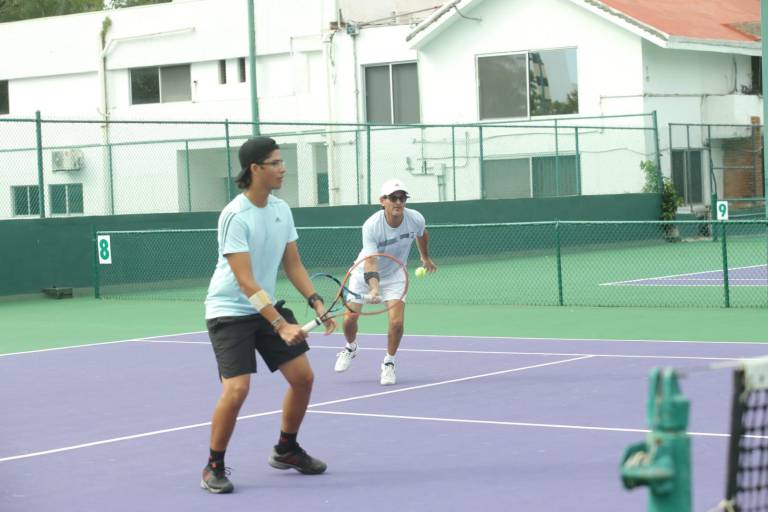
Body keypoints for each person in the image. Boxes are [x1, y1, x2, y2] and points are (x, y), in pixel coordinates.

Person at [201, 137, 335, 494]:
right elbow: (245, 281)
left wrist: (315, 300)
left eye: (282, 162)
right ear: (255, 169)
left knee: (303, 378)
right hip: (229, 311)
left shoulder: (281, 209)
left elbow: (292, 263)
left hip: (267, 307)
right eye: (275, 163)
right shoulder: (234, 215)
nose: (283, 168)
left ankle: (286, 449)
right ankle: (213, 465)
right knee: (237, 388)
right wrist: (280, 323)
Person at [334, 179, 436, 385]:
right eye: (393, 198)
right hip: (365, 272)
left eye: (402, 198)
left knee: (397, 322)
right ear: (383, 201)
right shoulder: (372, 225)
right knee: (349, 320)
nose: (398, 202)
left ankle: (389, 363)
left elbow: (422, 234)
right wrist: (374, 289)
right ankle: (351, 347)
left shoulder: (415, 218)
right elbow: (371, 261)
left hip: (396, 274)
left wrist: (425, 257)